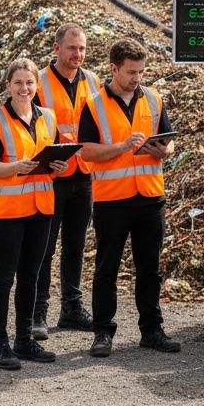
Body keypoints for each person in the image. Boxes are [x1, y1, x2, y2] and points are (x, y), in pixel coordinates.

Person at [78, 38, 180, 357]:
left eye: (141, 71)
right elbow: (86, 150)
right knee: (107, 269)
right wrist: (122, 147)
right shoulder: (94, 105)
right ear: (114, 69)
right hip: (112, 200)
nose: (137, 78)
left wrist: (163, 149)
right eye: (131, 72)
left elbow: (170, 142)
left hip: (150, 197)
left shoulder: (152, 99)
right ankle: (103, 332)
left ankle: (152, 330)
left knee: (149, 269)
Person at [0, 58, 69, 370]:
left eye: (29, 83)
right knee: (5, 276)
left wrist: (60, 166)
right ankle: (0, 345)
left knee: (30, 276)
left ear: (36, 86)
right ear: (8, 85)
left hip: (40, 208)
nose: (24, 88)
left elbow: (54, 159)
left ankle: (23, 340)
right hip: (7, 211)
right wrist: (16, 168)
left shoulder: (47, 118)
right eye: (18, 83)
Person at [31, 24, 99, 340]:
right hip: (51, 176)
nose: (78, 54)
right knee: (43, 247)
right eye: (72, 48)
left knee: (75, 246)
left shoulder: (93, 81)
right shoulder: (39, 82)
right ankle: (36, 313)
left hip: (83, 174)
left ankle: (72, 309)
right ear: (57, 49)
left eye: (82, 48)